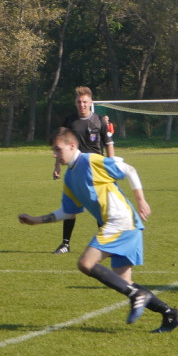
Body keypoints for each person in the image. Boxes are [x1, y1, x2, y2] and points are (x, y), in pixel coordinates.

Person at [18, 128, 178, 333]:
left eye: (57, 149)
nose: (54, 154)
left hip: (120, 221)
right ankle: (170, 314)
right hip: (124, 225)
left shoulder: (90, 161)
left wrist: (140, 199)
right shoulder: (70, 177)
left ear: (72, 146)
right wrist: (36, 220)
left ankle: (137, 296)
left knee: (85, 263)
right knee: (124, 283)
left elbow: (129, 170)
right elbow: (68, 212)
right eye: (53, 150)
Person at [51, 86, 114, 254]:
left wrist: (111, 166)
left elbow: (108, 144)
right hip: (75, 170)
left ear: (90, 102)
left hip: (96, 171)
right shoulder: (69, 122)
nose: (82, 105)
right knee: (70, 207)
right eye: (79, 102)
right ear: (75, 103)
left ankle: (104, 244)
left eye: (85, 102)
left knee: (100, 208)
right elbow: (60, 145)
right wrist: (57, 165)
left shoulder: (99, 121)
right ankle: (65, 244)